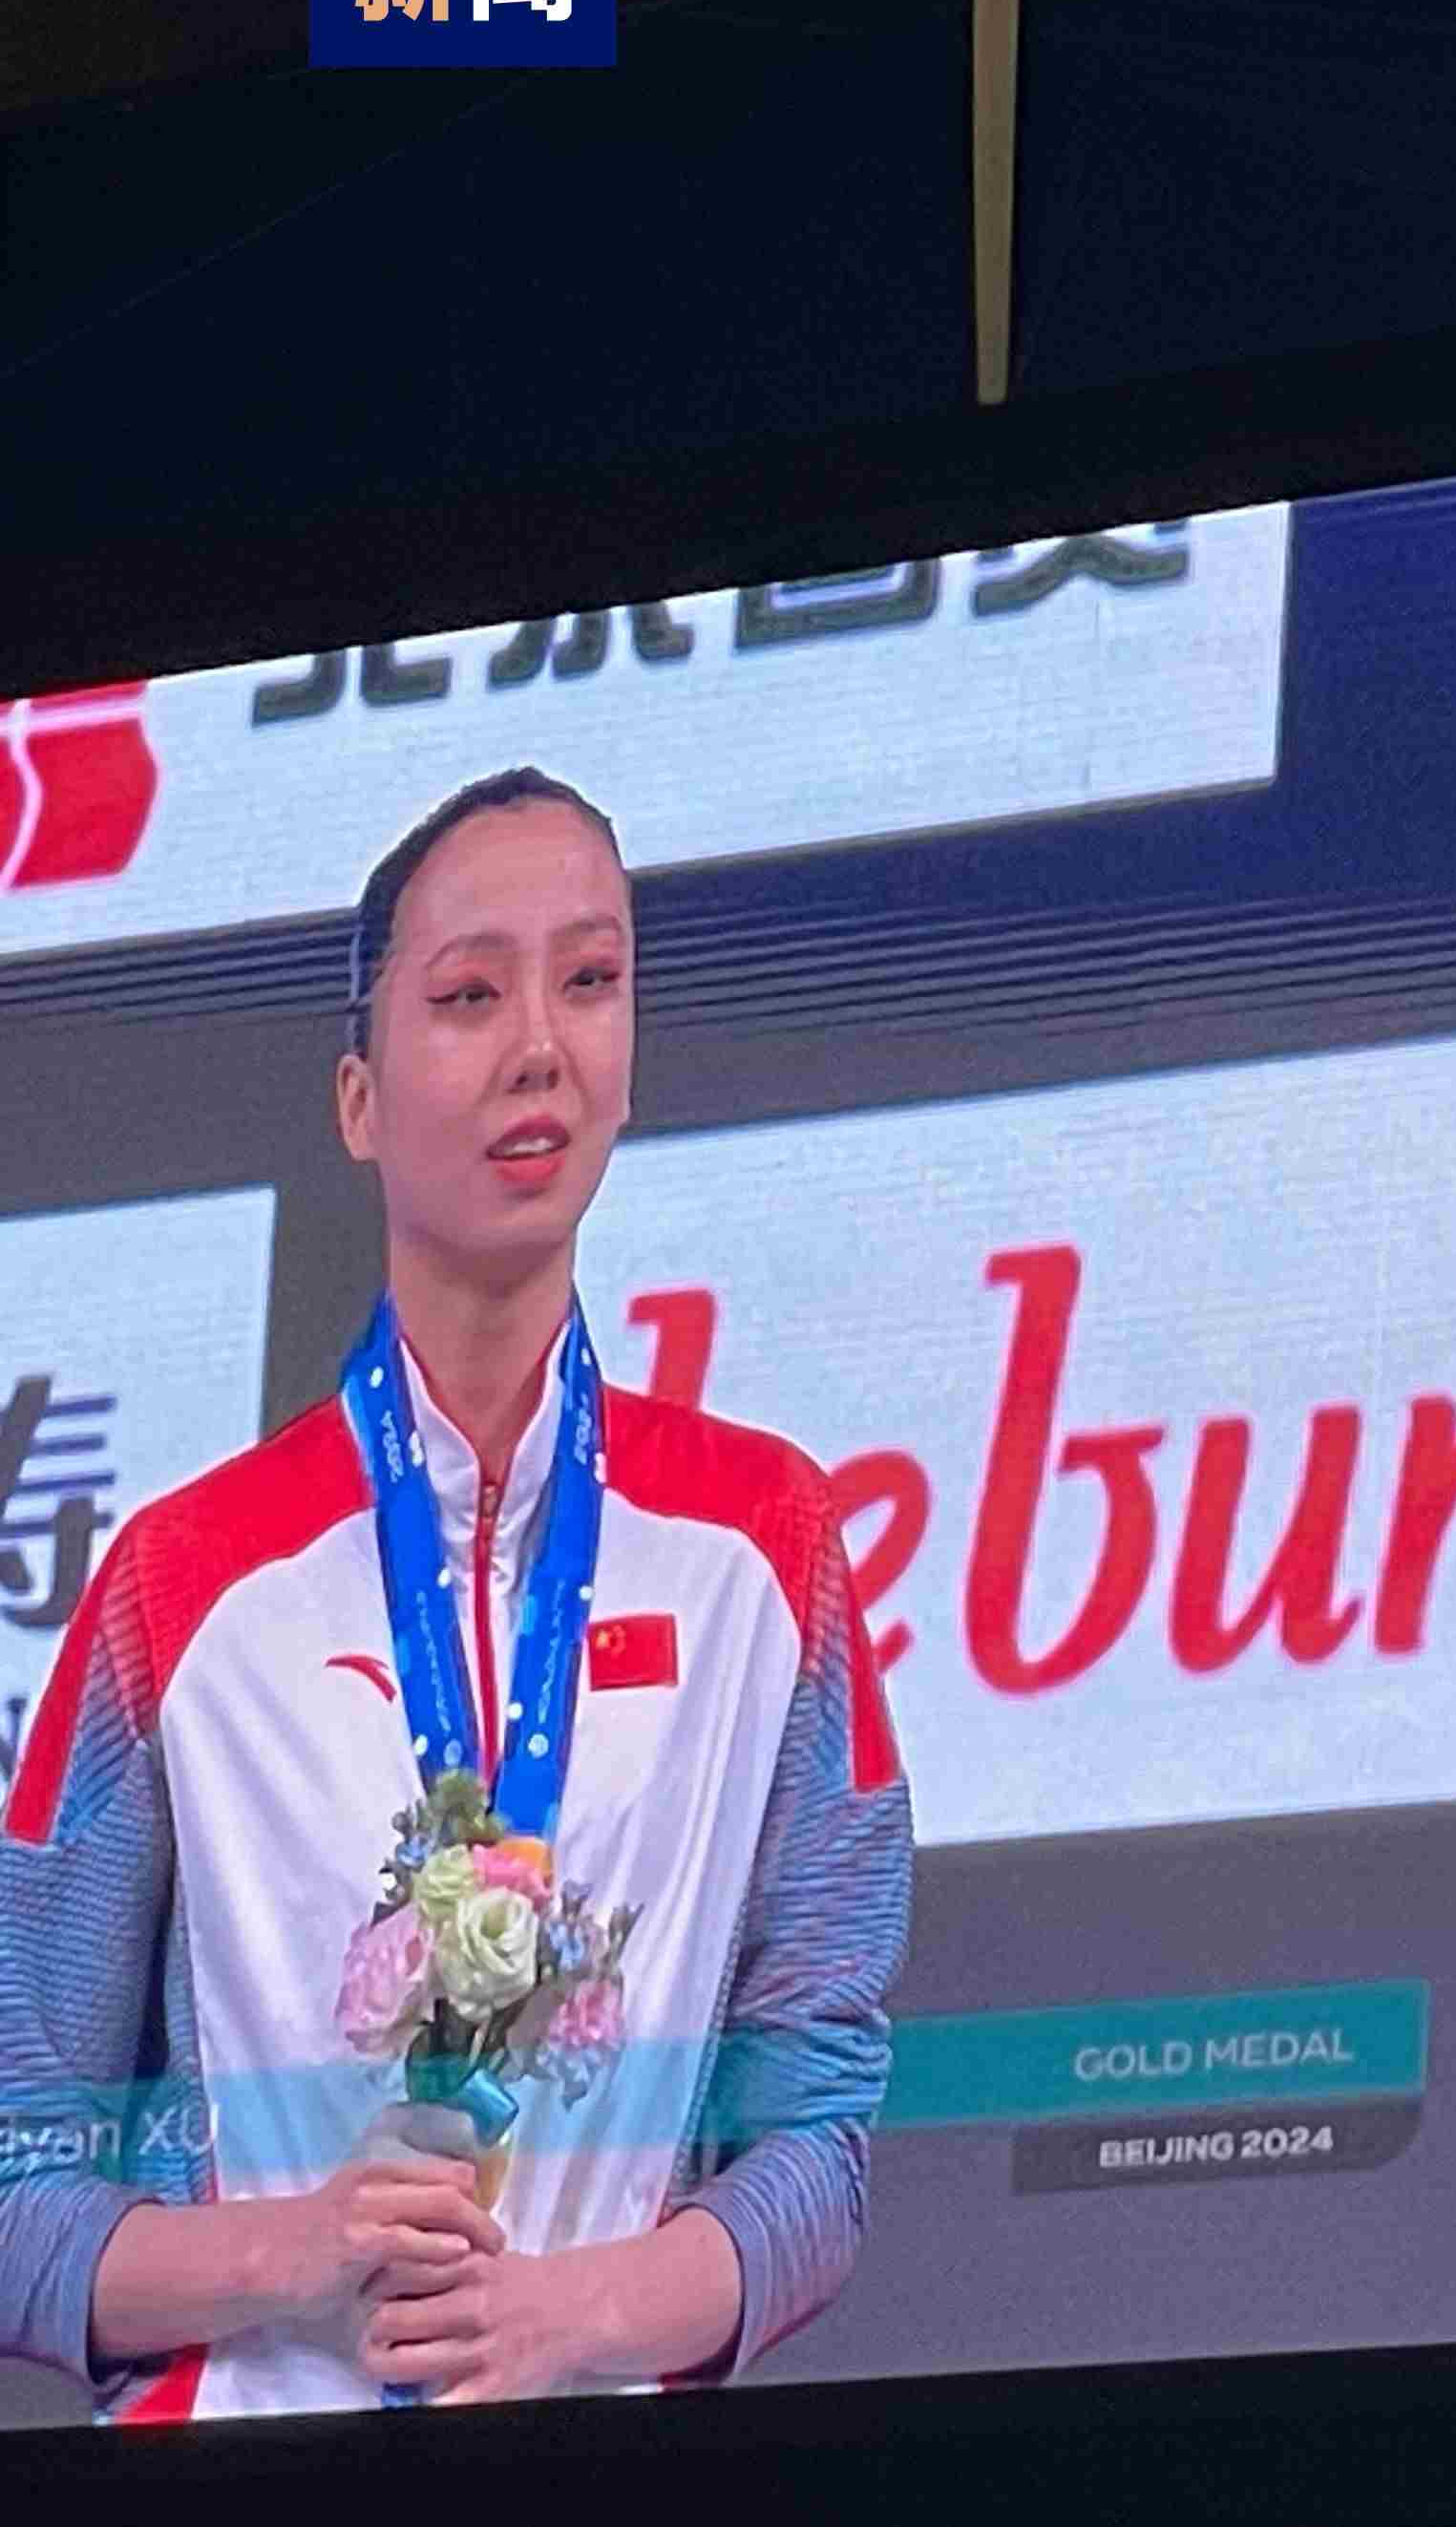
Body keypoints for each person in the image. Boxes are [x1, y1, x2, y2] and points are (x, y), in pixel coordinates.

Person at [0, 768, 911, 2417]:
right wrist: (291, 2249)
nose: (541, 1047)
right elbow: (9, 2178)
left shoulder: (768, 1547)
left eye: (592, 980)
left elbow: (819, 2150)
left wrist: (571, 2317)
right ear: (358, 1100)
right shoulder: (179, 1587)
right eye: (471, 996)